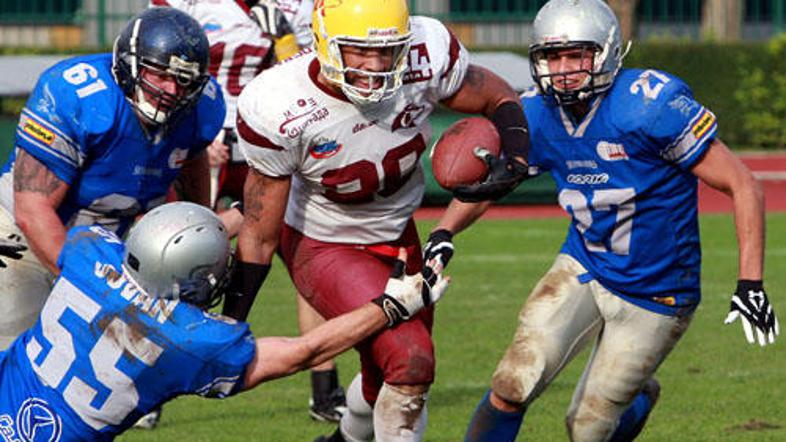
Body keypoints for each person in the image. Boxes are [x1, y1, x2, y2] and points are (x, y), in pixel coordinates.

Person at [431, 1, 778, 441]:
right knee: (512, 382)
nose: (563, 69)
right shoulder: (537, 113)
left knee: (587, 428)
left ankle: (638, 398)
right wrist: (444, 232)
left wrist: (750, 284)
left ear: (608, 53)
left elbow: (744, 184)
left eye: (576, 55)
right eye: (552, 57)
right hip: (586, 266)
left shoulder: (650, 106)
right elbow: (495, 181)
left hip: (658, 291)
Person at [226, 0, 530, 440]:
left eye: (386, 51)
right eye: (358, 51)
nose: (374, 65)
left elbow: (496, 95)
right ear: (327, 45)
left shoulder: (427, 53)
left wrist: (517, 154)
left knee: (384, 375)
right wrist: (231, 325)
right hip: (323, 240)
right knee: (410, 359)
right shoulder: (279, 101)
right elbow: (257, 234)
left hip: (397, 231)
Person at [0, 201, 448, 441]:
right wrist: (389, 307)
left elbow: (160, 242)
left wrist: (246, 211)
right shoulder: (185, 340)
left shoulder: (86, 251)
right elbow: (302, 353)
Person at [151, 0, 348, 423]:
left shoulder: (298, 8)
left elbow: (319, 71)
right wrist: (193, 131)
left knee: (304, 265)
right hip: (210, 137)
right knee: (172, 263)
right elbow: (163, 60)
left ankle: (325, 391)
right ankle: (153, 388)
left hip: (274, 138)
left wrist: (285, 41)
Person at [0, 6, 224, 352]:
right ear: (130, 65)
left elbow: (192, 160)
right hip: (23, 235)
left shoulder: (202, 109)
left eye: (183, 80)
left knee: (117, 364)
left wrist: (194, 232)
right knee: (14, 350)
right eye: (159, 75)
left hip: (110, 243)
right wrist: (87, 285)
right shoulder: (78, 95)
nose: (171, 90)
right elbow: (32, 209)